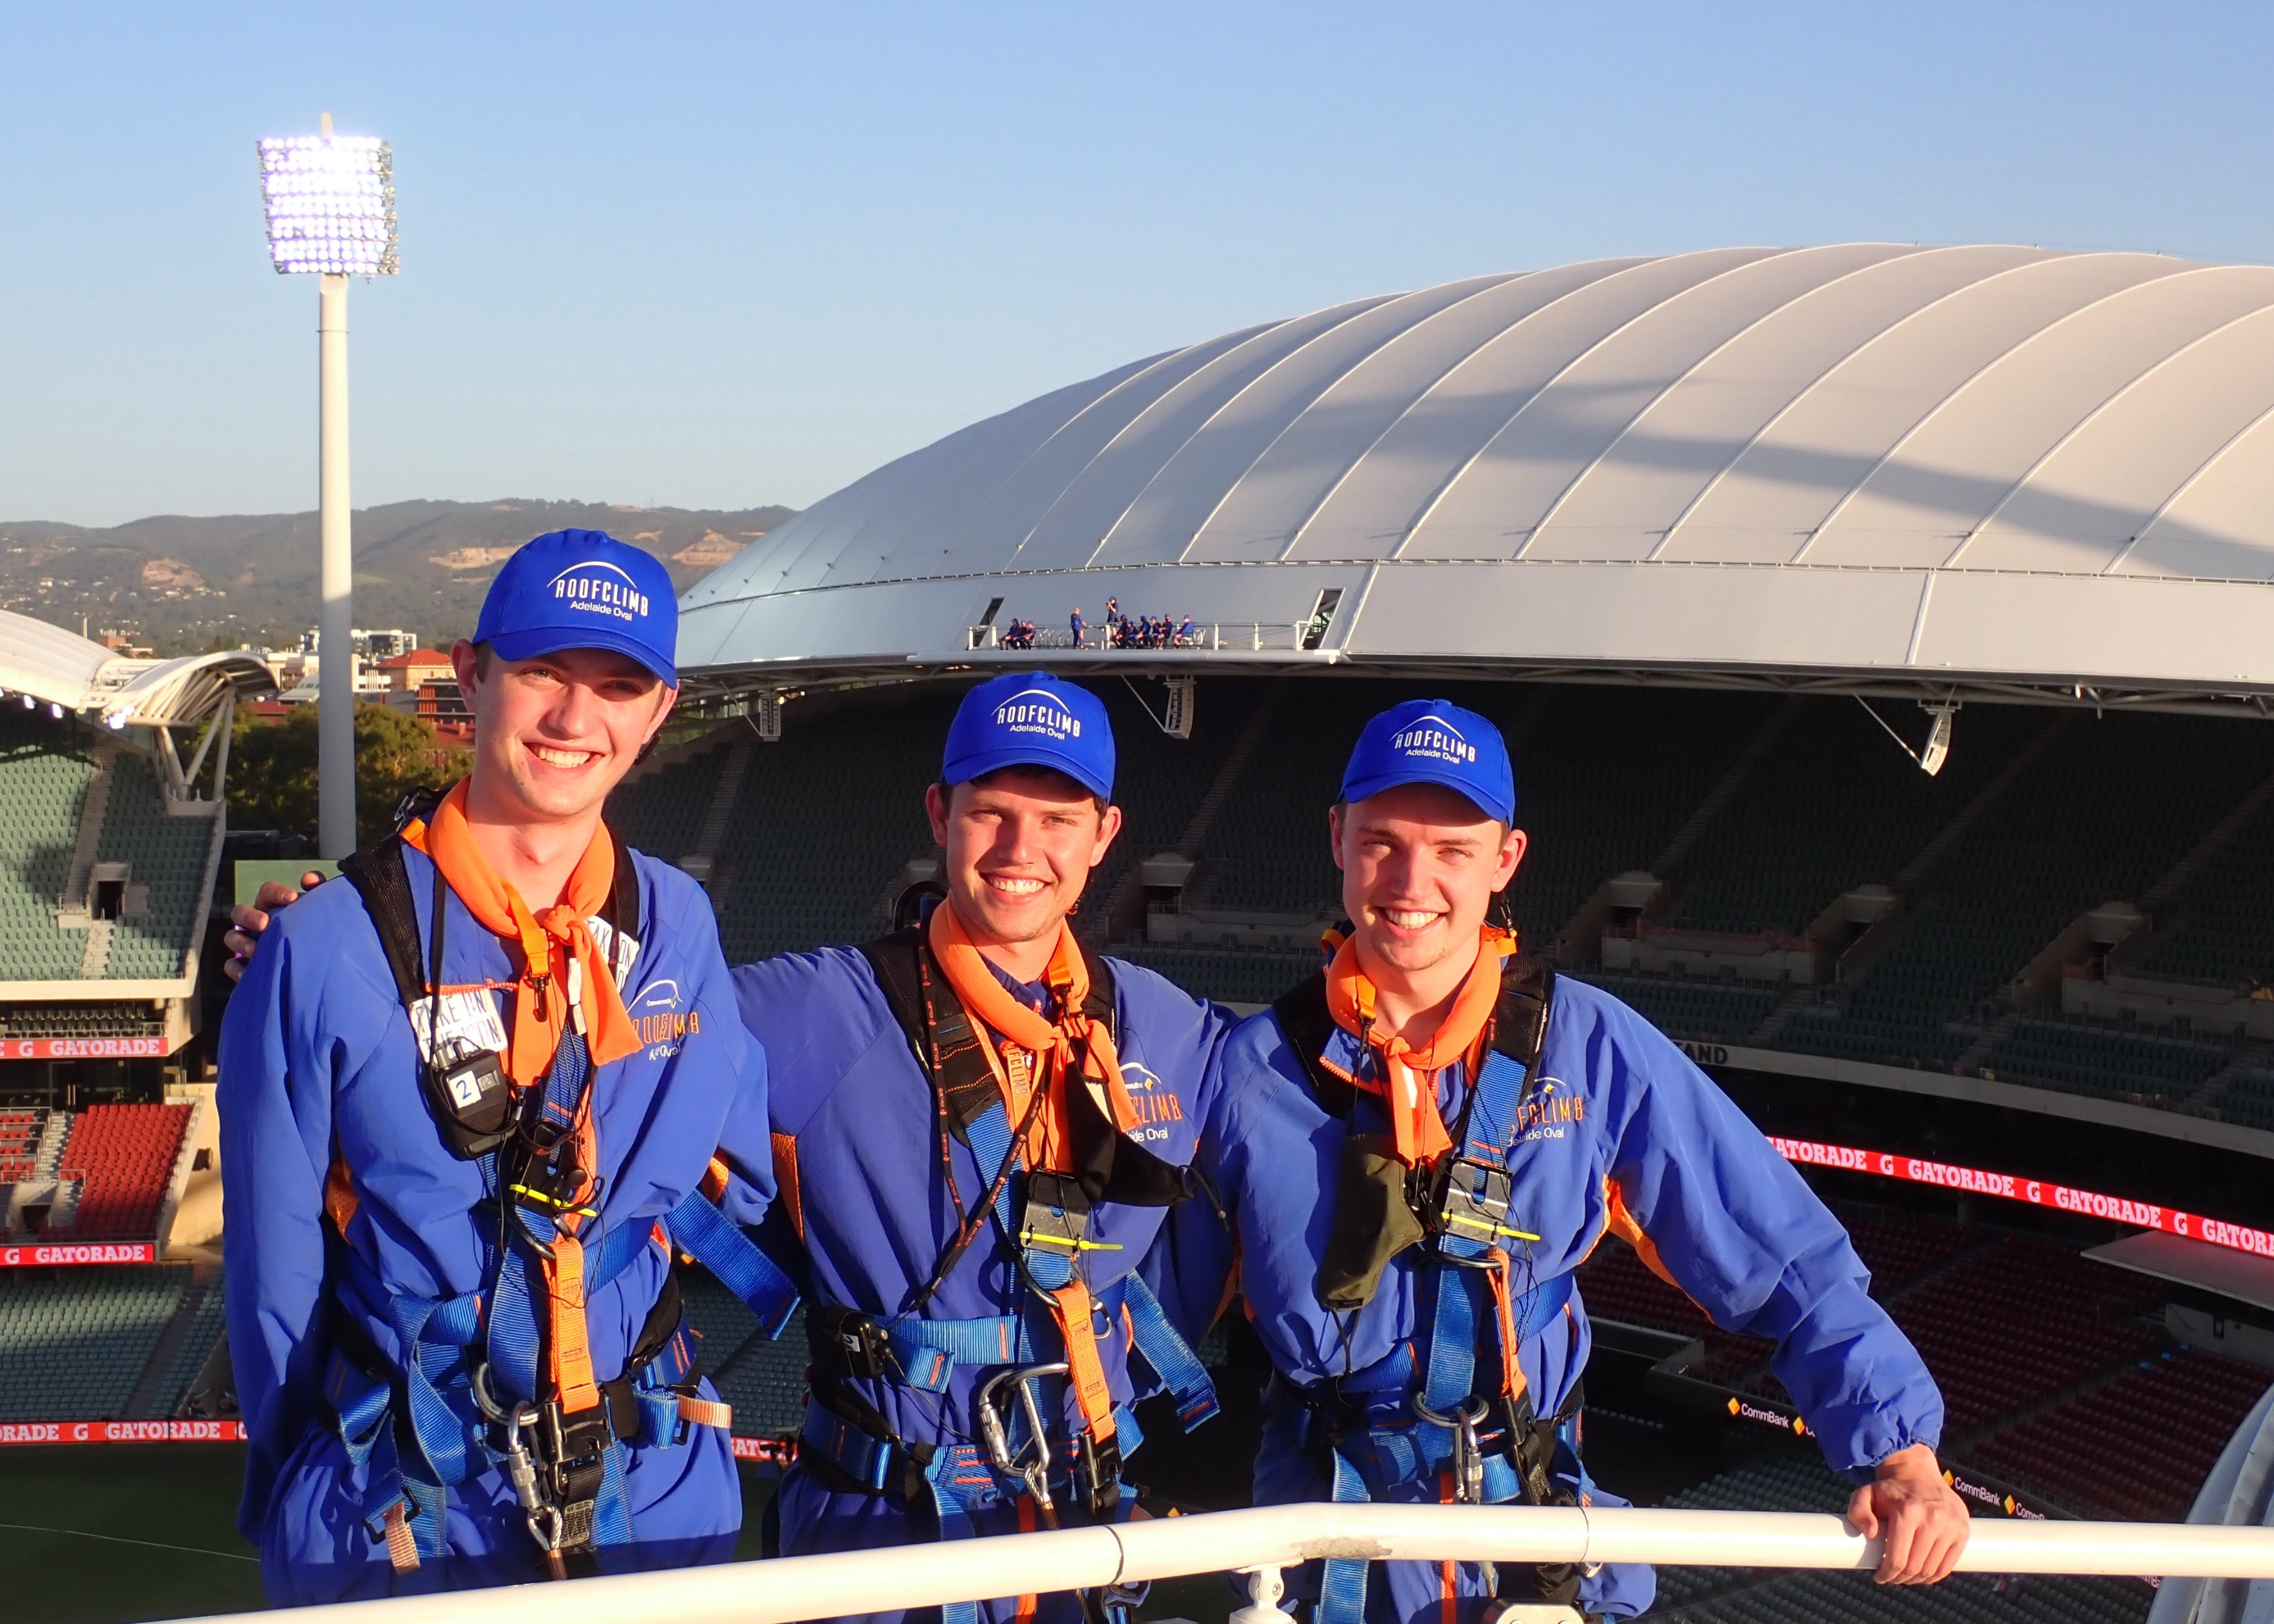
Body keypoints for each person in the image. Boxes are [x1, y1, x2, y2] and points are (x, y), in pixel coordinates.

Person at [229, 670, 1233, 1624]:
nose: (1021, 848)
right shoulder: (812, 1007)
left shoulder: (1174, 1031)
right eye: (990, 812)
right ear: (939, 816)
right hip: (882, 1525)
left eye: (1058, 820)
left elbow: (1281, 1131)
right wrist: (337, 934)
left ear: (1104, 836)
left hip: (1082, 1520)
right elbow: (594, 1027)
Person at [1147, 698, 1968, 1623]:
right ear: (1337, 839)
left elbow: (1783, 1261)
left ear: (1505, 859)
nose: (1413, 878)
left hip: (1537, 1551)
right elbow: (1143, 1323)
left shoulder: (1591, 1053)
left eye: (1454, 848)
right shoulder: (1251, 1074)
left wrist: (1899, 1454)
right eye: (1383, 840)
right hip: (1331, 1565)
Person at [218, 531, 793, 1603]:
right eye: (543, 675)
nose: (578, 722)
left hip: (649, 1483)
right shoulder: (323, 947)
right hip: (419, 1499)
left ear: (660, 711)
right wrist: (302, 1490)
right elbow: (273, 1282)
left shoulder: (678, 923)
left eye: (620, 686)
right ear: (470, 676)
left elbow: (739, 1168)